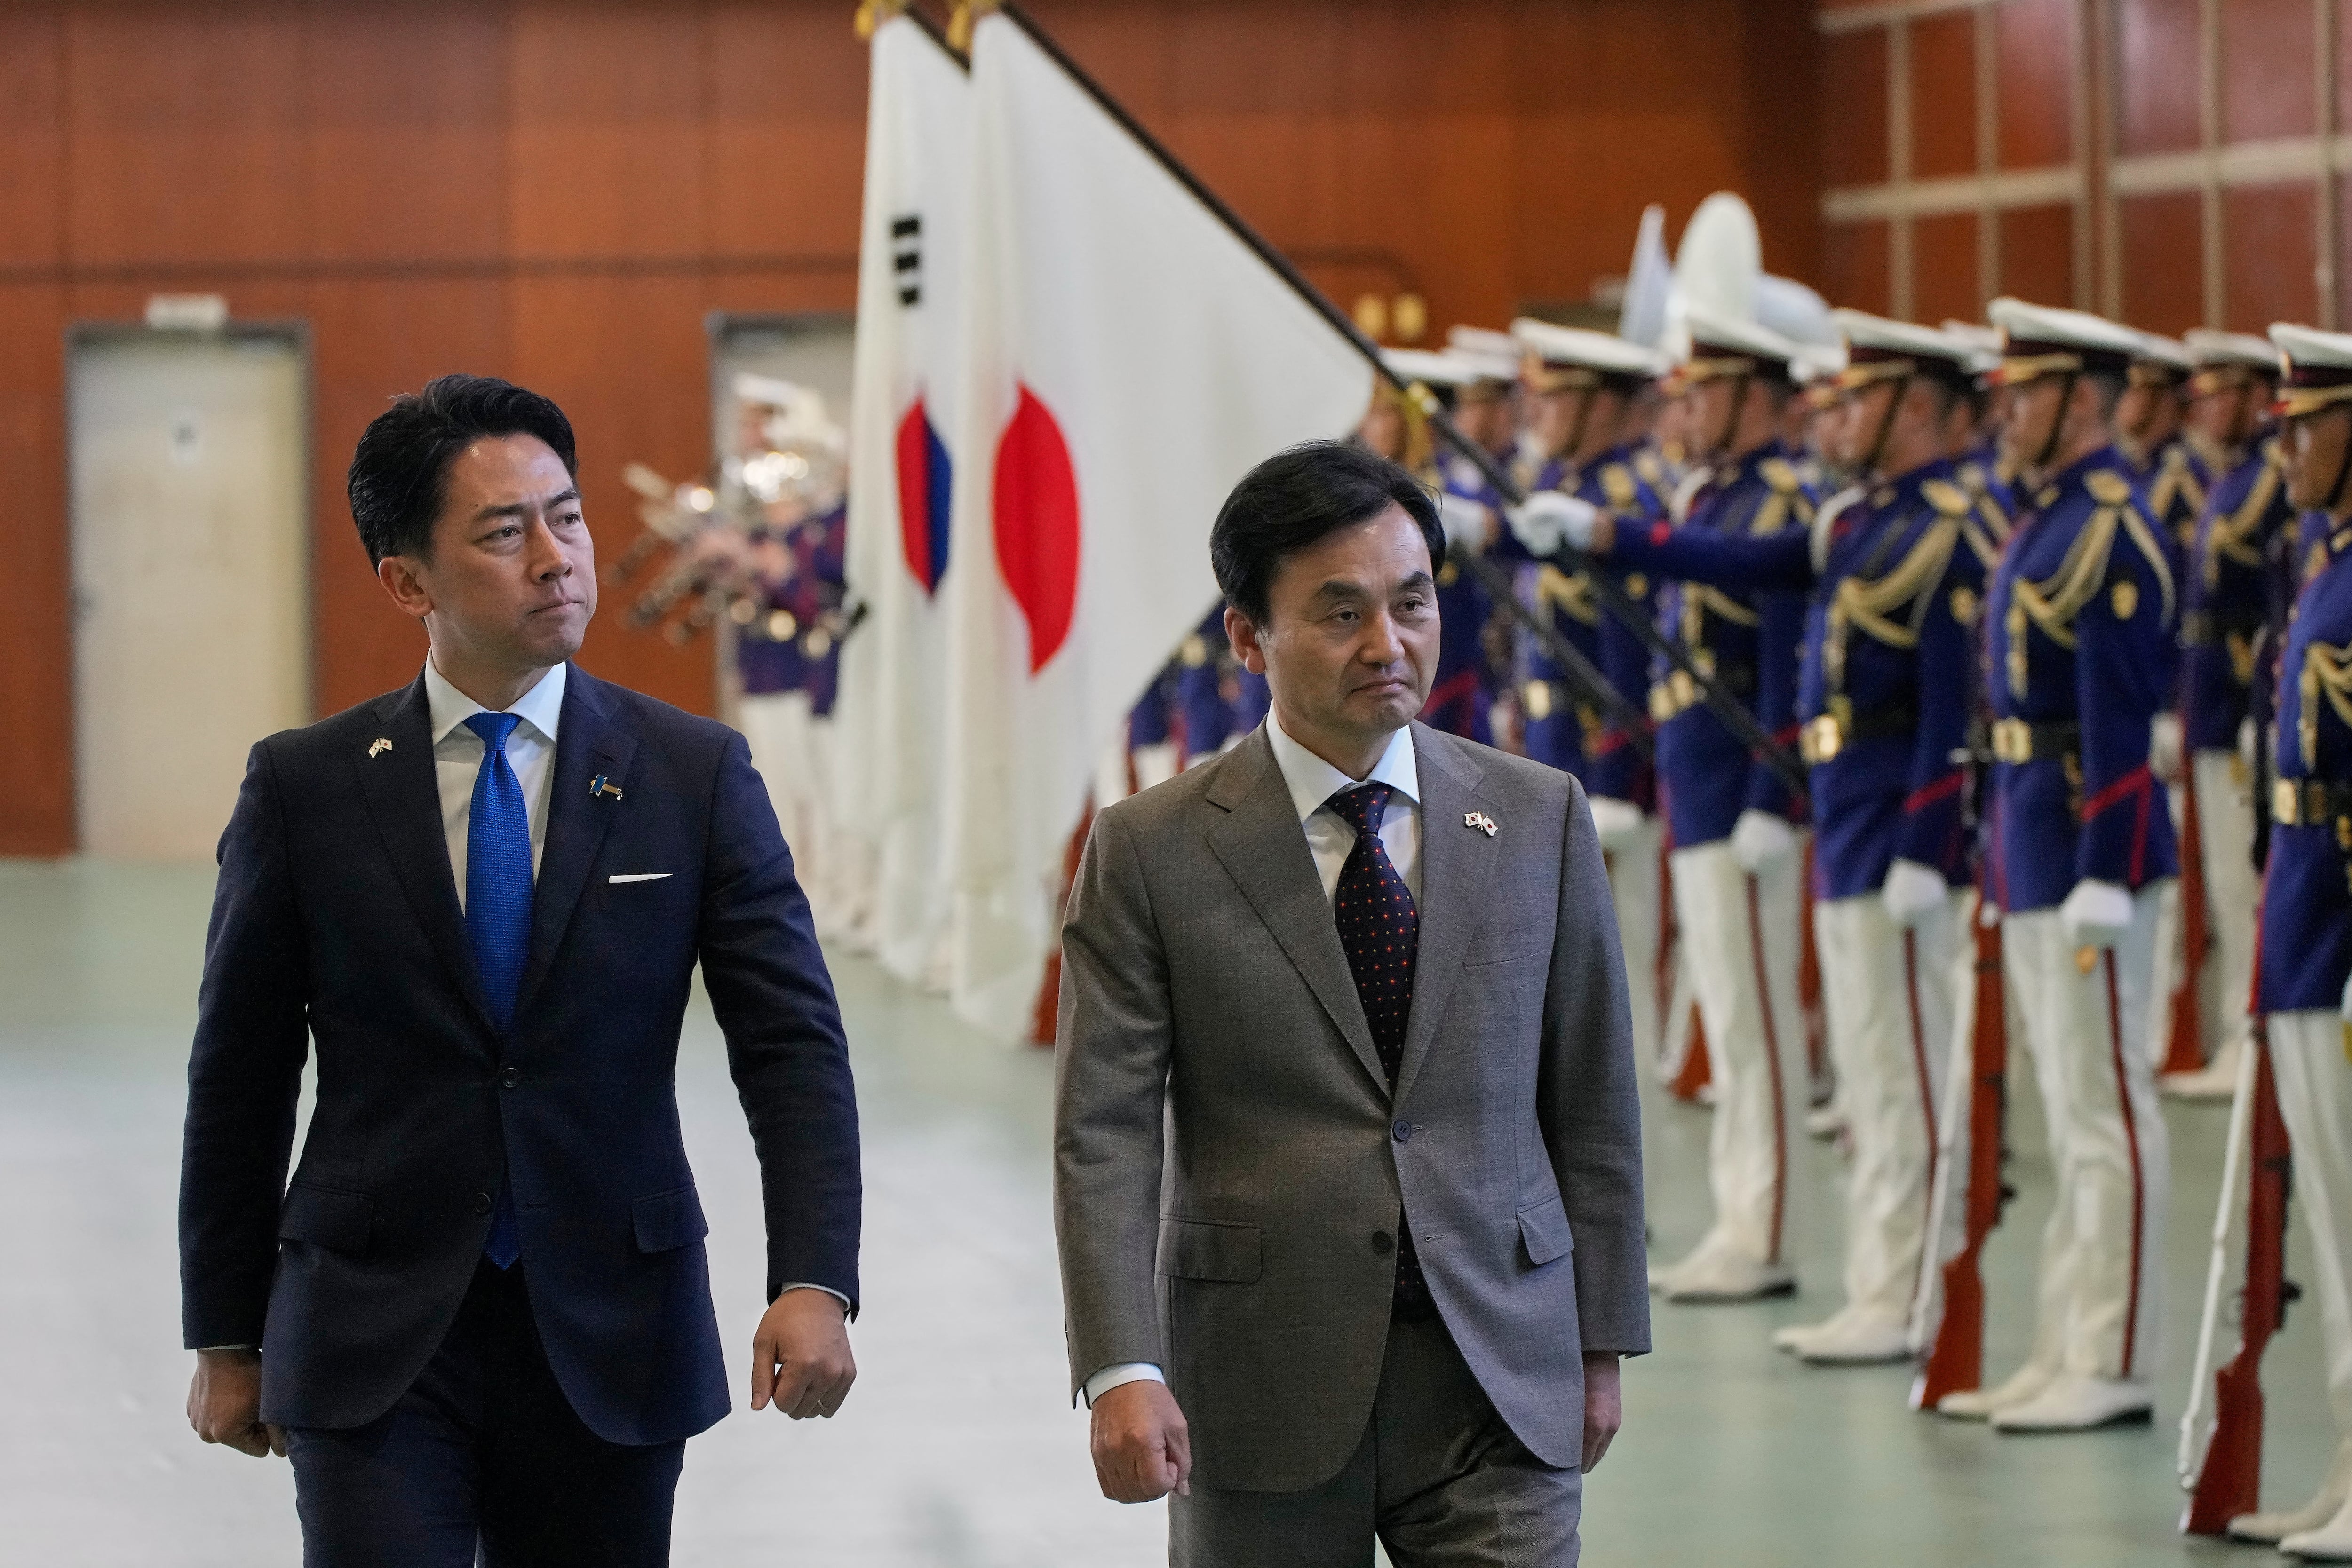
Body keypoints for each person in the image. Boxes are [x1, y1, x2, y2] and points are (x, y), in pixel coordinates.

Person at [178, 374, 862, 1562]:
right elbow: (238, 1074)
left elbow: (791, 1042)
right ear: (409, 581)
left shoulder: (691, 776)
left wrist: (816, 1277)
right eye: (505, 531)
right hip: (371, 1324)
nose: (557, 558)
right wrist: (225, 1333)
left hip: (611, 1318)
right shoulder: (309, 787)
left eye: (569, 516)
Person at [1053, 440, 1648, 1565]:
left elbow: (1592, 1101)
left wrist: (1603, 1341)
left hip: (1499, 1373)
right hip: (1260, 1379)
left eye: (1412, 602)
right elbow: (1103, 1130)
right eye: (1339, 615)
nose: (1390, 645)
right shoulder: (1151, 848)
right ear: (1246, 635)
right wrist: (1121, 1365)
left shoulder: (1538, 816)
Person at [1520, 311, 1994, 1362]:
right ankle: (1867, 1272)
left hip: (1893, 833)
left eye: (1860, 398)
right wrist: (1605, 535)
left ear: (1916, 404)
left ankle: (1907, 1285)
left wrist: (1923, 839)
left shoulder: (1952, 523)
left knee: (1896, 1062)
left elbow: (1949, 699)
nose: (1836, 415)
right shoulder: (1856, 520)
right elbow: (1742, 562)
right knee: (1867, 1065)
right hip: (1849, 819)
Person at [1937, 299, 2178, 1433]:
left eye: (2026, 393)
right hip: (2029, 836)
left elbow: (2120, 715)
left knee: (2106, 1111)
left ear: (2080, 399)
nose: (2006, 412)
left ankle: (2116, 1351)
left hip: (2091, 847)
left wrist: (2108, 865)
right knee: (2062, 1107)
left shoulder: (2110, 527)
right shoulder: (2041, 518)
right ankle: (2066, 1339)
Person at [1629, 301, 1820, 1302]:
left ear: (1753, 393)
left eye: (1705, 390)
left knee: (1755, 1018)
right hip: (1695, 786)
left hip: (1743, 798)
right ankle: (1739, 1211)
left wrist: (1769, 791)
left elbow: (1788, 659)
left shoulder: (1779, 498)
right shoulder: (1708, 496)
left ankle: (1767, 1225)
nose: (1687, 408)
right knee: (1729, 1013)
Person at [2227, 321, 2352, 1554]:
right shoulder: (2327, 558)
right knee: (2333, 1212)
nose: (2290, 448)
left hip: (2341, 928)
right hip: (2308, 921)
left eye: (2309, 424)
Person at [1506, 318, 1672, 1072]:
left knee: (1615, 985)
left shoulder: (1619, 499)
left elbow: (1626, 658)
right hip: (1551, 760)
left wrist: (1617, 779)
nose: (1538, 413)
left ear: (1599, 407)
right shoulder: (1562, 490)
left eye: (1557, 399)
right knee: (1562, 987)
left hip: (1597, 774)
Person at [2154, 331, 2292, 1100]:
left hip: (2243, 699)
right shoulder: (2234, 478)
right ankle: (2241, 1034)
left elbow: (2270, 595)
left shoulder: (2272, 475)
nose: (2203, 409)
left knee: (2247, 882)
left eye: (2218, 393)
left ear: (2251, 394)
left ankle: (2253, 1040)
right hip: (2208, 701)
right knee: (2225, 885)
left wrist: (2256, 706)